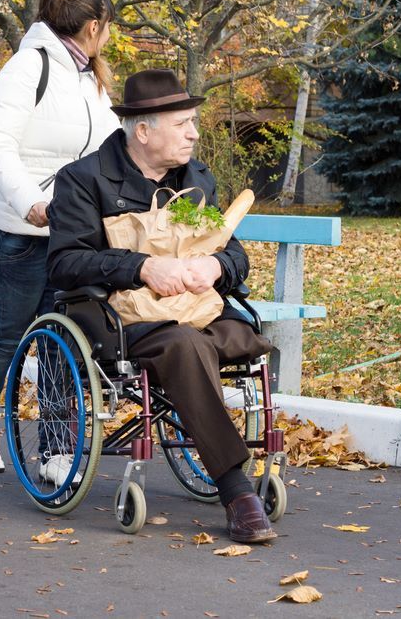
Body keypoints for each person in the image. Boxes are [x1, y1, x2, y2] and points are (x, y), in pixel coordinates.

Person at [46, 69, 277, 543]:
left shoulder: (196, 178)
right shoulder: (84, 180)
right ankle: (236, 489)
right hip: (123, 318)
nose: (194, 133)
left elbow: (235, 251)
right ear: (144, 131)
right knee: (187, 349)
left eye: (193, 122)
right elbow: (66, 263)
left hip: (197, 307)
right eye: (183, 124)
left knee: (245, 339)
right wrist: (143, 267)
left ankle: (218, 441)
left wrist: (216, 267)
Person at [0, 0, 120, 477]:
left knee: (64, 339)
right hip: (19, 236)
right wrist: (31, 201)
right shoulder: (27, 67)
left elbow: (112, 144)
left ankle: (56, 449)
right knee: (9, 336)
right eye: (108, 27)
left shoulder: (89, 79)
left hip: (71, 237)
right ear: (93, 27)